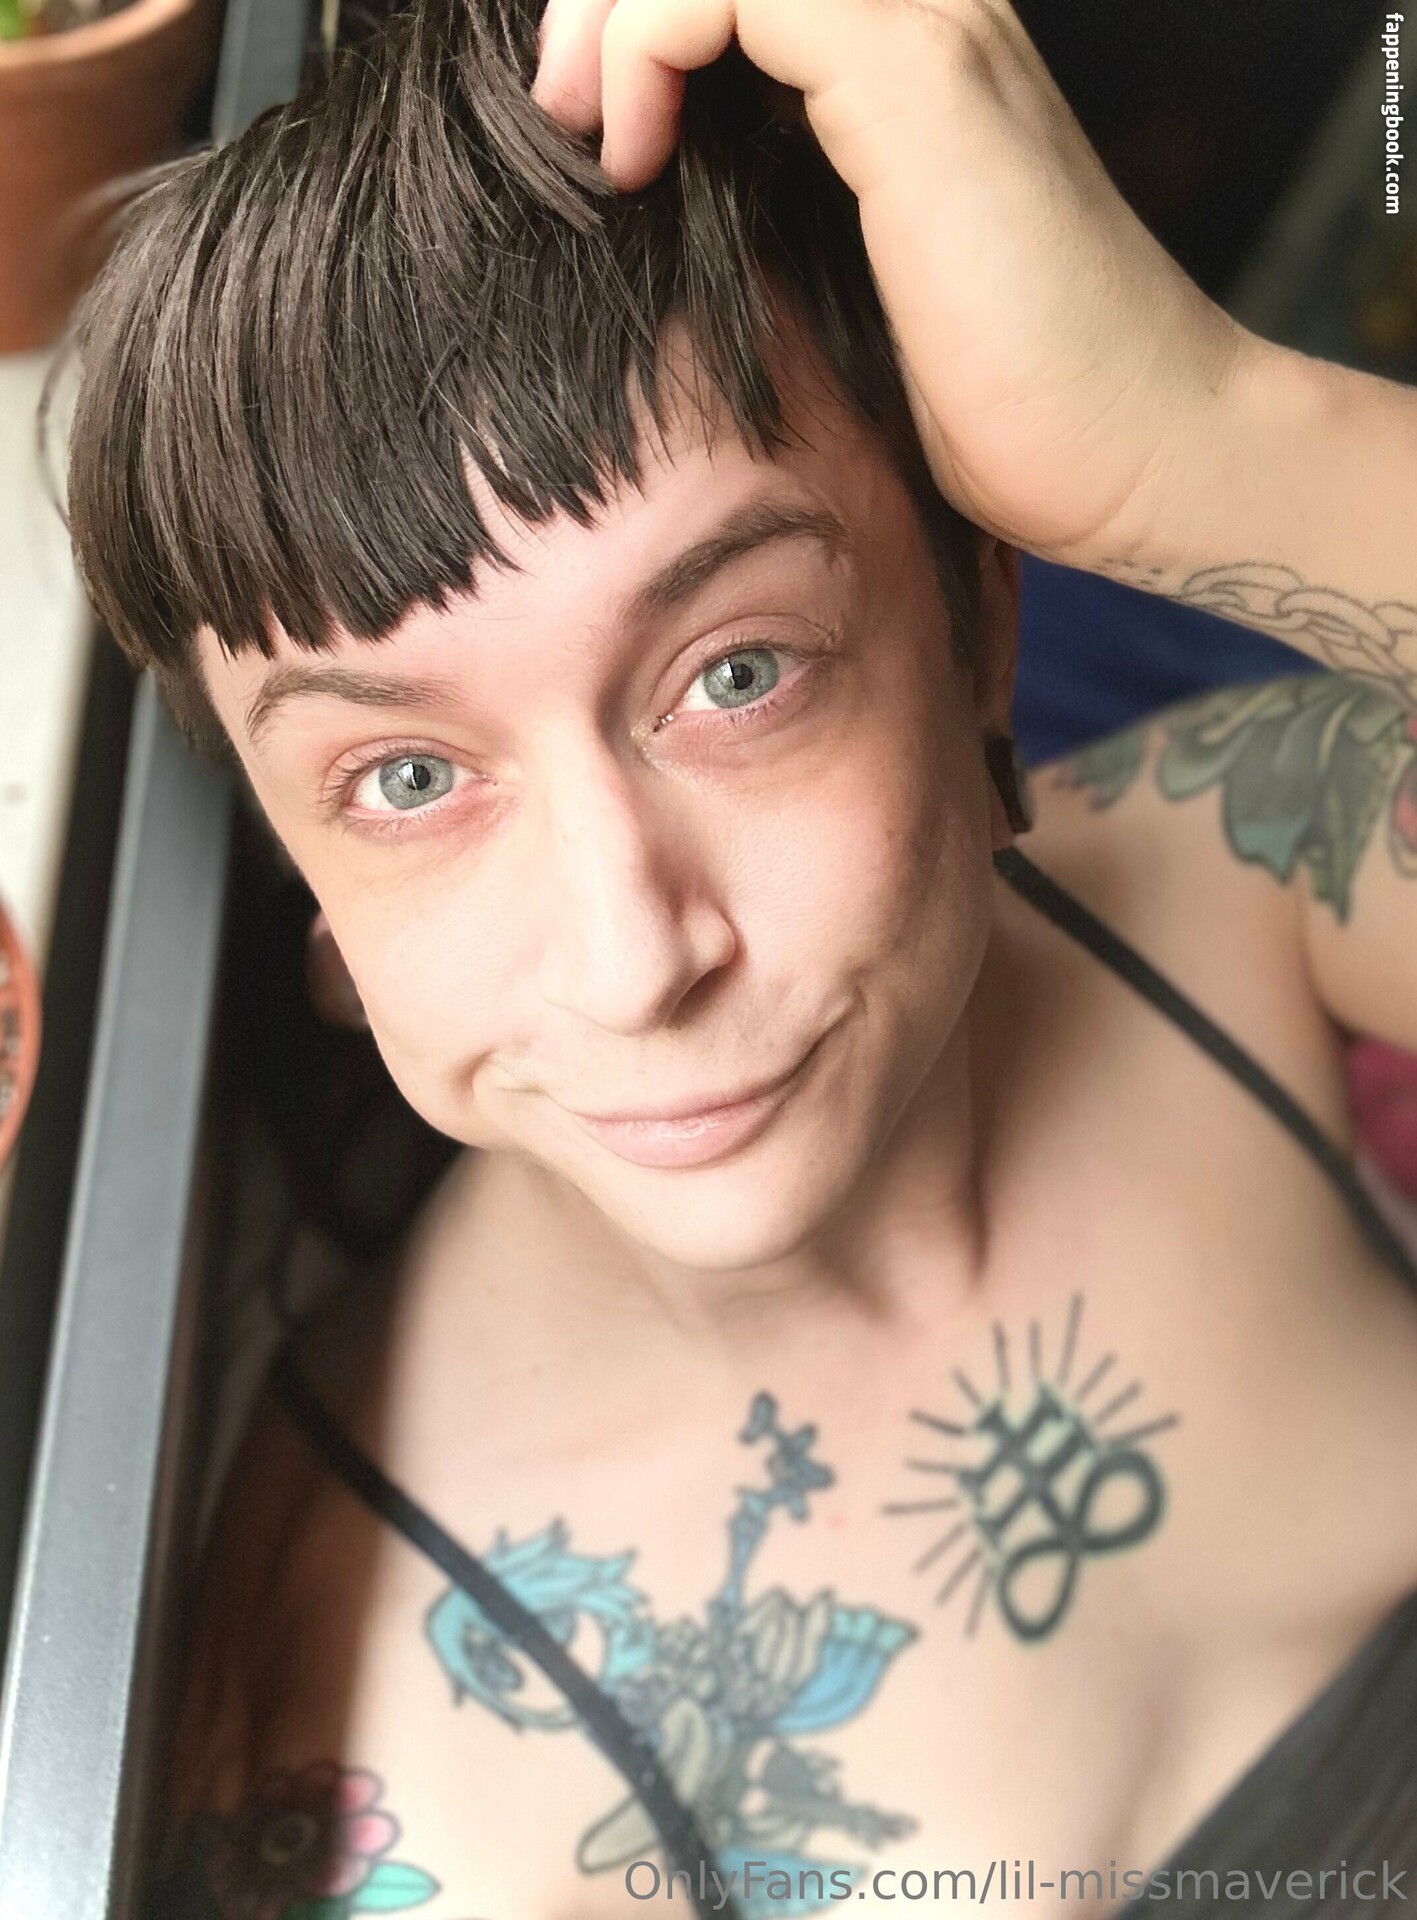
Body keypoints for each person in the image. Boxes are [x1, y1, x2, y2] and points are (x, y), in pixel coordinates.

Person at [64, 0, 1417, 1914]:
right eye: (407, 778)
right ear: (313, 894)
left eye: (737, 673)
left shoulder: (1240, 877)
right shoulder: (376, 1758)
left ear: (980, 631)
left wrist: (1199, 444)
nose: (634, 958)